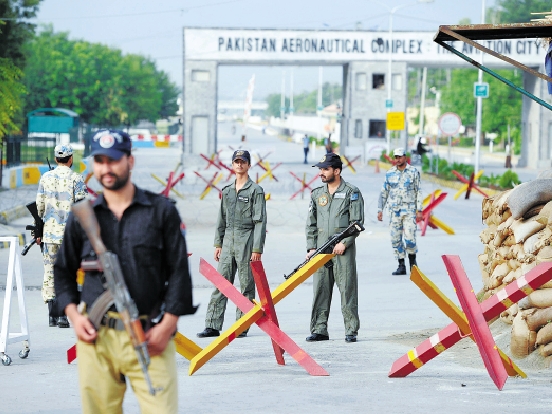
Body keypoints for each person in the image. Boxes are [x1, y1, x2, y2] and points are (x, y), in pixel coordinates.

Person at [54, 129, 195, 413]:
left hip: (150, 334)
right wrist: (73, 316)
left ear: (130, 161)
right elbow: (62, 271)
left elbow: (179, 272)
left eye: (114, 160)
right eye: (100, 161)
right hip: (97, 339)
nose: (106, 168)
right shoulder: (82, 216)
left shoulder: (161, 211)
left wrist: (168, 325)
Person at [197, 149, 267, 338]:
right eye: (237, 161)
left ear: (249, 165)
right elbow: (221, 219)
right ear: (232, 165)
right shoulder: (227, 191)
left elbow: (260, 221)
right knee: (221, 282)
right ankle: (212, 325)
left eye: (243, 162)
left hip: (247, 239)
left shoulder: (255, 191)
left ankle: (242, 325)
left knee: (246, 285)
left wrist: (257, 248)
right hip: (228, 240)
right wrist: (218, 244)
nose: (239, 164)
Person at [305, 153, 364, 343]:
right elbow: (311, 224)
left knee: (347, 288)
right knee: (320, 289)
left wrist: (344, 243)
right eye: (320, 169)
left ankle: (351, 329)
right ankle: (319, 329)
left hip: (342, 250)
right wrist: (311, 248)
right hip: (321, 249)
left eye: (325, 169)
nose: (321, 173)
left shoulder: (351, 192)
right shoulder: (317, 194)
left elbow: (357, 223)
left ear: (337, 171)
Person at [36, 144, 87, 328]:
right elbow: (82, 207)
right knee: (67, 274)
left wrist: (39, 230)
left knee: (49, 272)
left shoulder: (45, 178)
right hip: (69, 237)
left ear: (56, 159)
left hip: (49, 234)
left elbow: (39, 207)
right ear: (70, 158)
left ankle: (52, 315)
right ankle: (63, 316)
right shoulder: (76, 178)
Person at [377, 147, 423, 276]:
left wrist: (419, 209)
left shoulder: (413, 172)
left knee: (410, 239)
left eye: (400, 157)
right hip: (394, 212)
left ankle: (413, 264)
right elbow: (384, 192)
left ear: (405, 157)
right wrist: (380, 209)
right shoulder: (390, 173)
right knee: (395, 239)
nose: (397, 159)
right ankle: (401, 265)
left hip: (409, 211)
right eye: (396, 157)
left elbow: (418, 191)